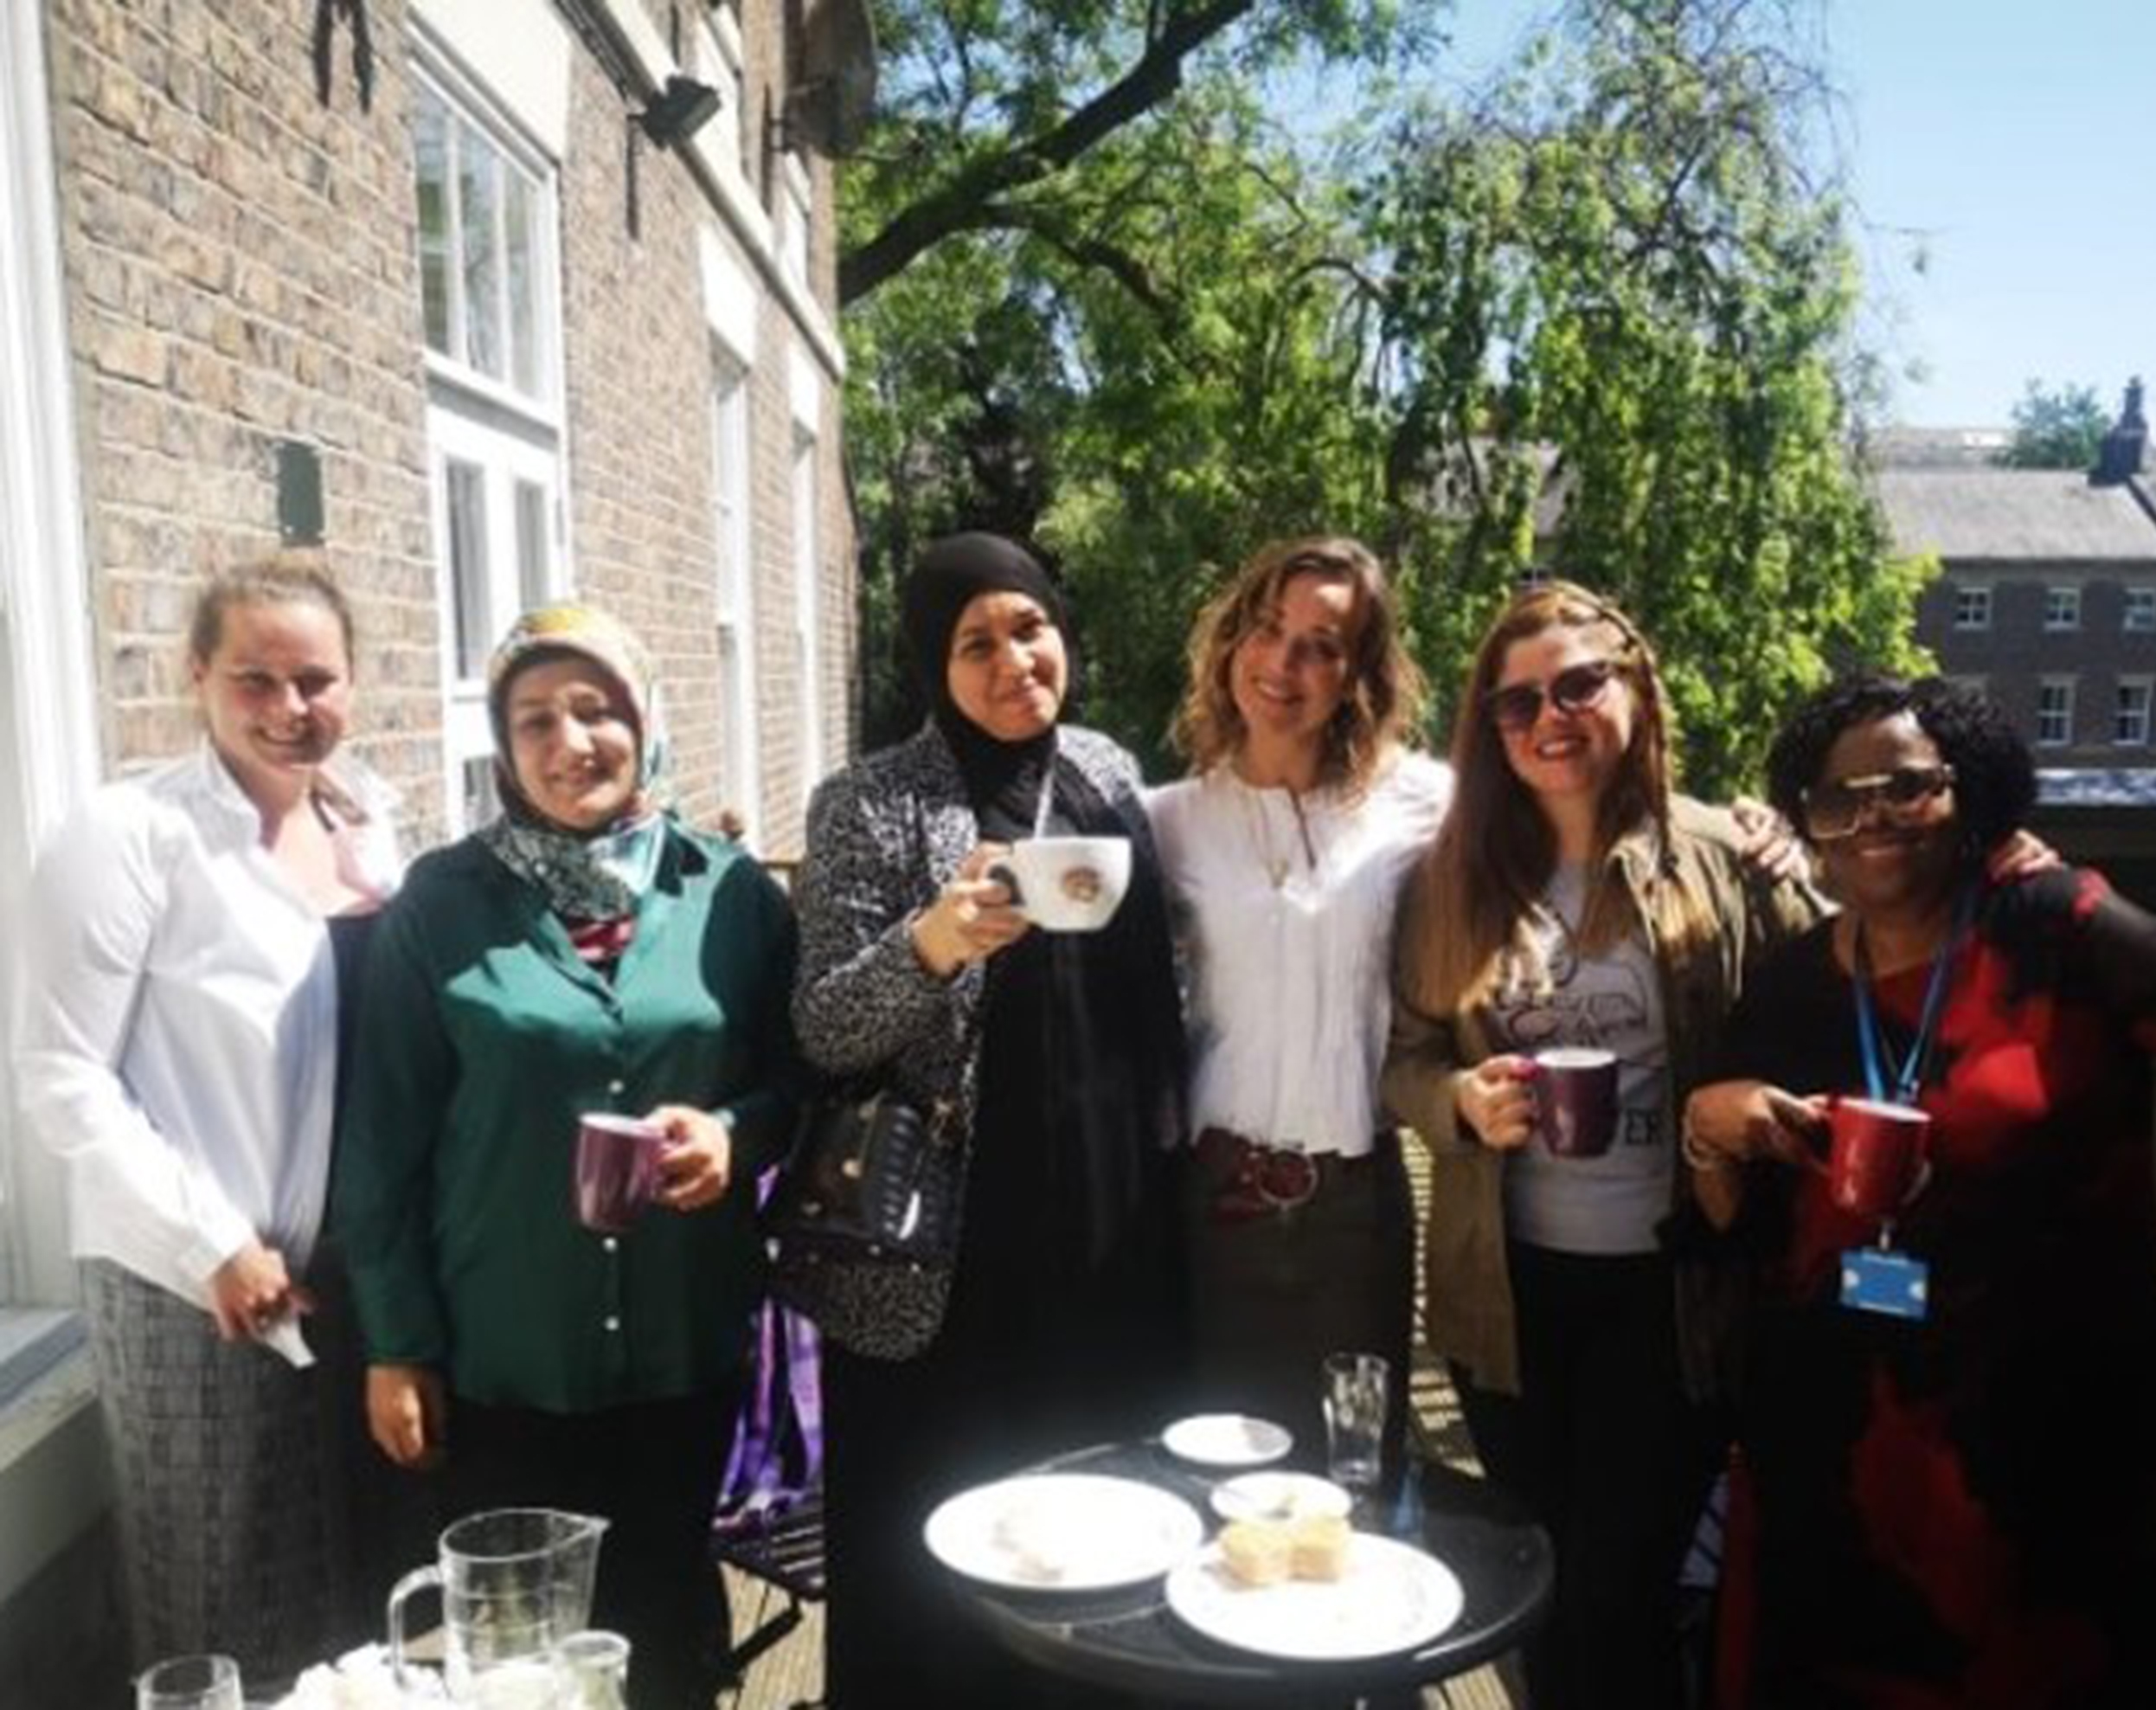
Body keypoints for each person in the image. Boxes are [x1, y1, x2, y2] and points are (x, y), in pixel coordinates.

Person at [1684, 673, 2156, 1708]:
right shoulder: (1794, 979)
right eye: (1837, 798)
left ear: (1966, 788)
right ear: (1808, 821)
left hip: (2044, 1451)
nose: (1871, 816)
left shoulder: (2055, 928)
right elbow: (1738, 1215)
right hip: (1831, 1444)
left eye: (1904, 784)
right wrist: (1712, 1128)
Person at [337, 605, 800, 1710]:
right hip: (506, 1354)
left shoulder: (728, 890)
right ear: (502, 746)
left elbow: (798, 1081)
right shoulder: (439, 907)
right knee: (517, 1653)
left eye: (596, 709)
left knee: (671, 1627)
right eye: (534, 717)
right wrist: (394, 1345)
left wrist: (733, 1134)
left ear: (644, 723)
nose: (568, 740)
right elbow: (381, 1141)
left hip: (682, 1341)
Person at [1383, 580, 1824, 1710]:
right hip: (1508, 1296)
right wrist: (1462, 1102)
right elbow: (1404, 1059)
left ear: (1636, 688)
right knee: (1542, 1588)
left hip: (1669, 1291)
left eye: (1580, 684)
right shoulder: (1453, 881)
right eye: (1517, 701)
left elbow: (1847, 993)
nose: (1549, 717)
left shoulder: (1727, 855)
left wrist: (1834, 864)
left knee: (1616, 1589)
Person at [788, 532, 1187, 1709]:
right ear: (932, 660)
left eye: (1032, 628)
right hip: (945, 1250)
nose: (1014, 660)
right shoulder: (870, 802)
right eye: (977, 642)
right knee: (936, 1544)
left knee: (1103, 1533)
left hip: (1107, 1231)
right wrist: (933, 942)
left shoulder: (1111, 772)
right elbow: (821, 1026)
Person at [12, 558, 403, 1683]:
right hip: (199, 1285)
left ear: (353, 685)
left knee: (343, 1602)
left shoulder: (365, 822)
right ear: (197, 677)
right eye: (256, 680)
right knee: (223, 1606)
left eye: (316, 681)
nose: (290, 710)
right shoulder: (129, 833)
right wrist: (211, 1246)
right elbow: (60, 1075)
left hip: (342, 1277)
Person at [1146, 535, 1446, 1464]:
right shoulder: (1165, 819)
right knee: (1214, 1473)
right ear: (1231, 641)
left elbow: (1559, 833)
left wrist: (1752, 833)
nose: (1284, 662)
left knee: (1352, 1471)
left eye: (1321, 643)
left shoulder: (1423, 801)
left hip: (1353, 1212)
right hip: (1211, 1205)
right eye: (1268, 629)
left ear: (1358, 672)